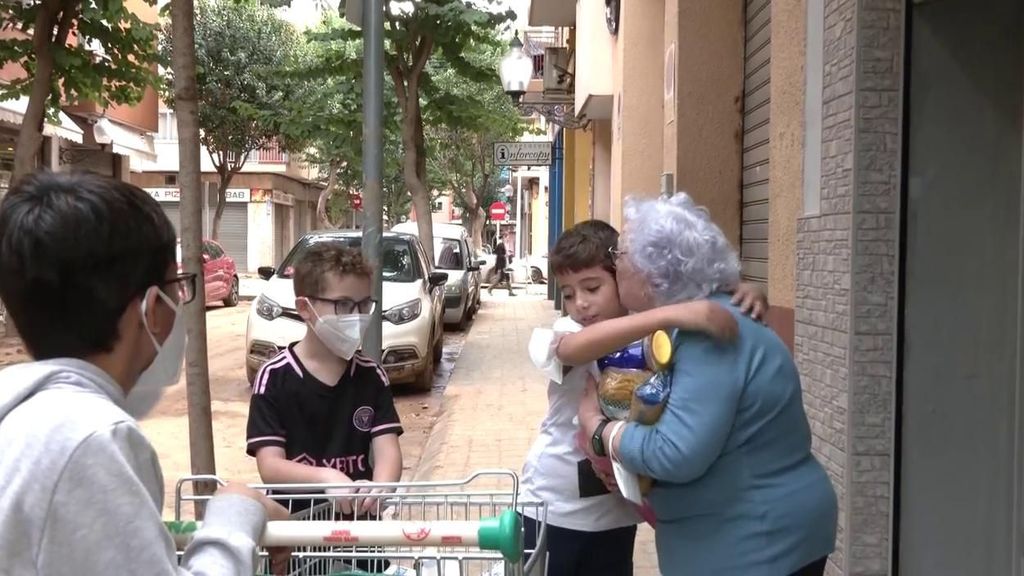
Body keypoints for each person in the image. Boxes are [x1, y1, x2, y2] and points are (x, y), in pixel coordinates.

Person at [0, 171, 289, 576]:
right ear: (153, 309)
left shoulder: (22, 416)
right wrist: (237, 510)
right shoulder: (90, 439)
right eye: (179, 286)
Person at [577, 193, 838, 576]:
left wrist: (601, 431)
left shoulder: (707, 334)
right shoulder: (700, 319)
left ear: (654, 272)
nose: (615, 264)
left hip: (755, 541)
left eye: (621, 254)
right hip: (750, 533)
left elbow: (675, 453)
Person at [523, 219, 769, 575]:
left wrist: (744, 291)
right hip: (550, 506)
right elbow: (572, 351)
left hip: (617, 512)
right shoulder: (566, 332)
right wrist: (671, 314)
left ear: (621, 280)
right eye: (569, 293)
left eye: (592, 288)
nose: (581, 304)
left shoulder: (653, 335)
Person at [246, 242, 402, 514]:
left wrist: (381, 487)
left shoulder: (372, 376)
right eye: (343, 304)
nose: (357, 316)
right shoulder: (274, 378)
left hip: (361, 535)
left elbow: (388, 451)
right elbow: (270, 466)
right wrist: (325, 477)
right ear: (305, 308)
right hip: (295, 536)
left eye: (364, 304)